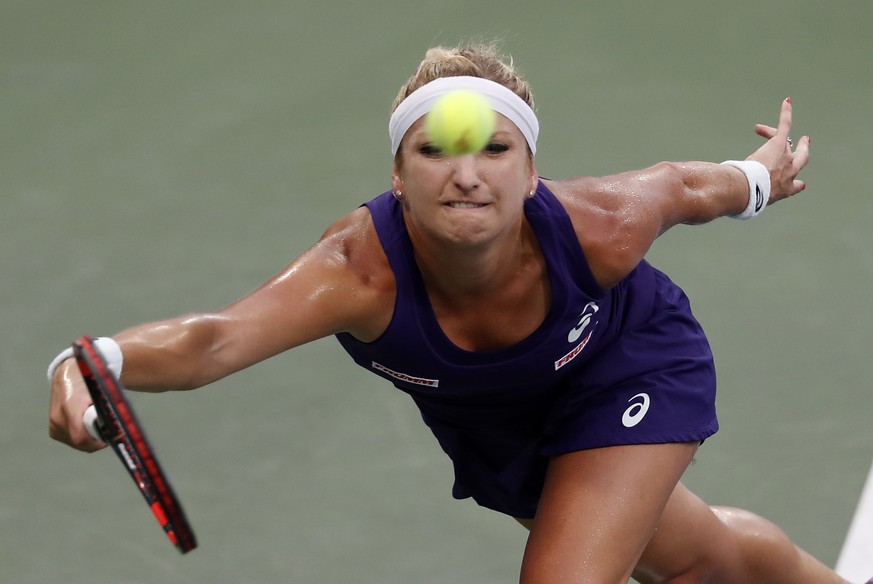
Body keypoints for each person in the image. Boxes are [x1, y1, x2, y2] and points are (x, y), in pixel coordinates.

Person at [48, 43, 849, 583]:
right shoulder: (356, 274)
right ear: (396, 175)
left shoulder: (598, 225)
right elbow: (214, 341)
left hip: (623, 368)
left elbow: (682, 186)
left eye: (494, 150)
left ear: (532, 172)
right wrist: (93, 363)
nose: (465, 175)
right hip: (497, 425)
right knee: (698, 564)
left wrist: (753, 178)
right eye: (434, 151)